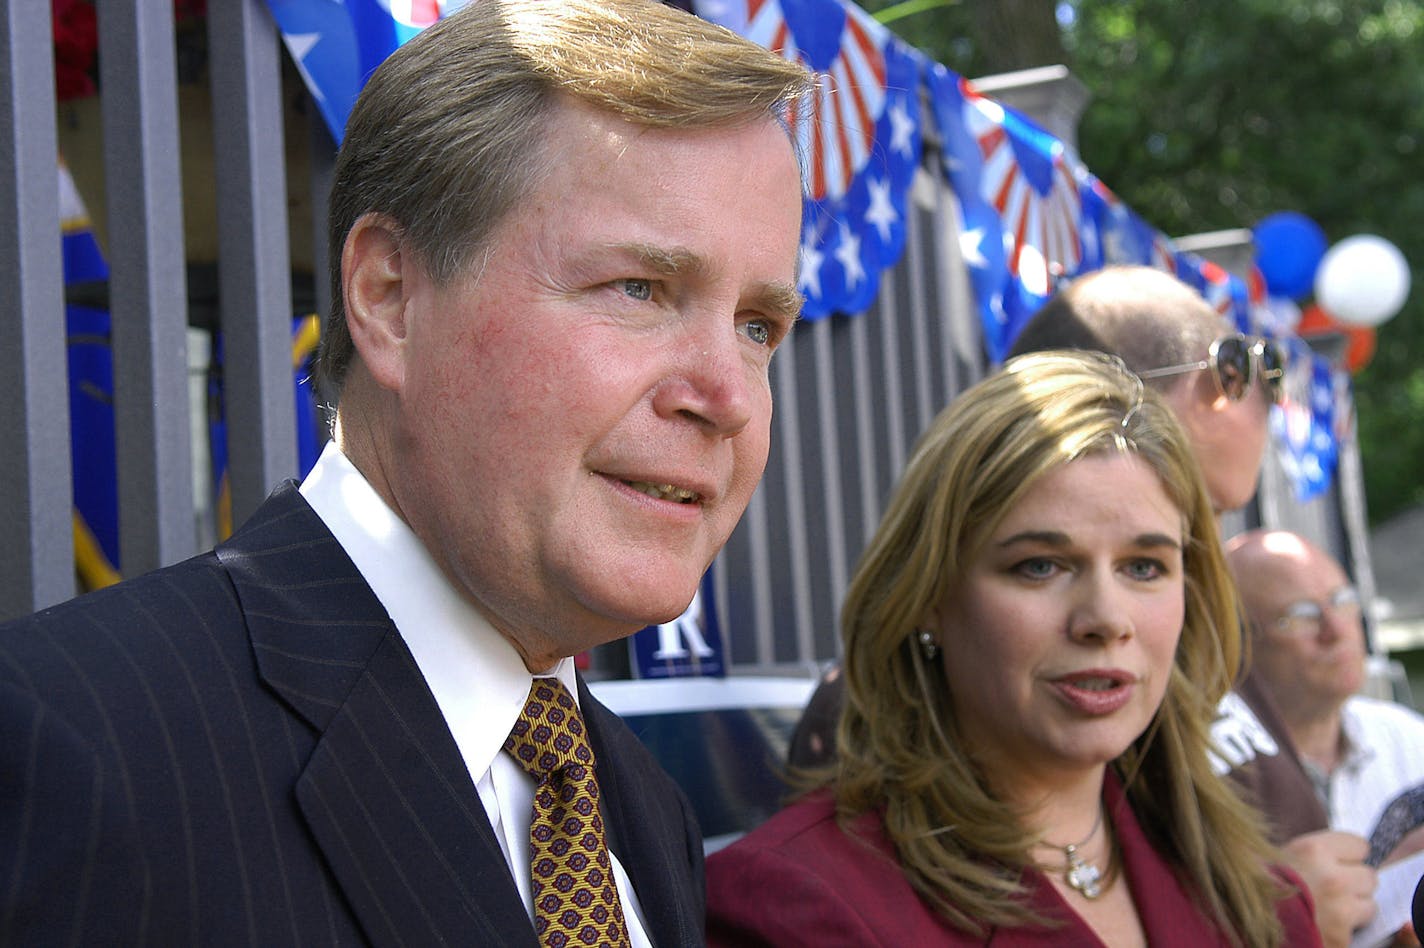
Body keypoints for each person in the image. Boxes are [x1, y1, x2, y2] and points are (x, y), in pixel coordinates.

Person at [0, 2, 811, 944]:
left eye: (758, 326)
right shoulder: (68, 748)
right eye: (639, 288)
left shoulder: (637, 802)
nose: (730, 398)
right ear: (389, 296)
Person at [786, 265, 1376, 946]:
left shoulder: (1193, 829)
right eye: (1040, 564)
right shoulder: (813, 892)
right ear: (929, 594)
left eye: (1149, 561)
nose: (1110, 616)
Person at [1226, 530, 1424, 867]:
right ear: (1238, 644)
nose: (1335, 630)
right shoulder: (1219, 774)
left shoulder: (1407, 738)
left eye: (1342, 600)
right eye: (1301, 615)